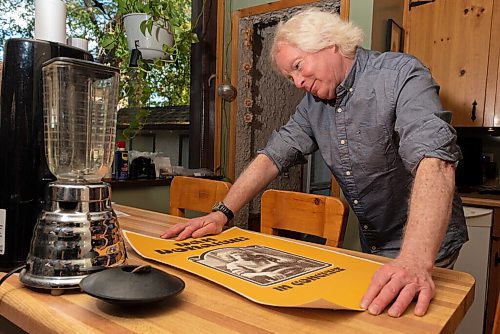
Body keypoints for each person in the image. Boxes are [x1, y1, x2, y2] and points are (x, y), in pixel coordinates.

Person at [161, 8, 468, 318]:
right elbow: (272, 156)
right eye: (290, 75)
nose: (297, 82)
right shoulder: (313, 106)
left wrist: (414, 261)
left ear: (330, 44)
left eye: (298, 66)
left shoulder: (401, 74)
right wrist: (221, 214)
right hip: (374, 245)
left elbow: (435, 160)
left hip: (426, 250)